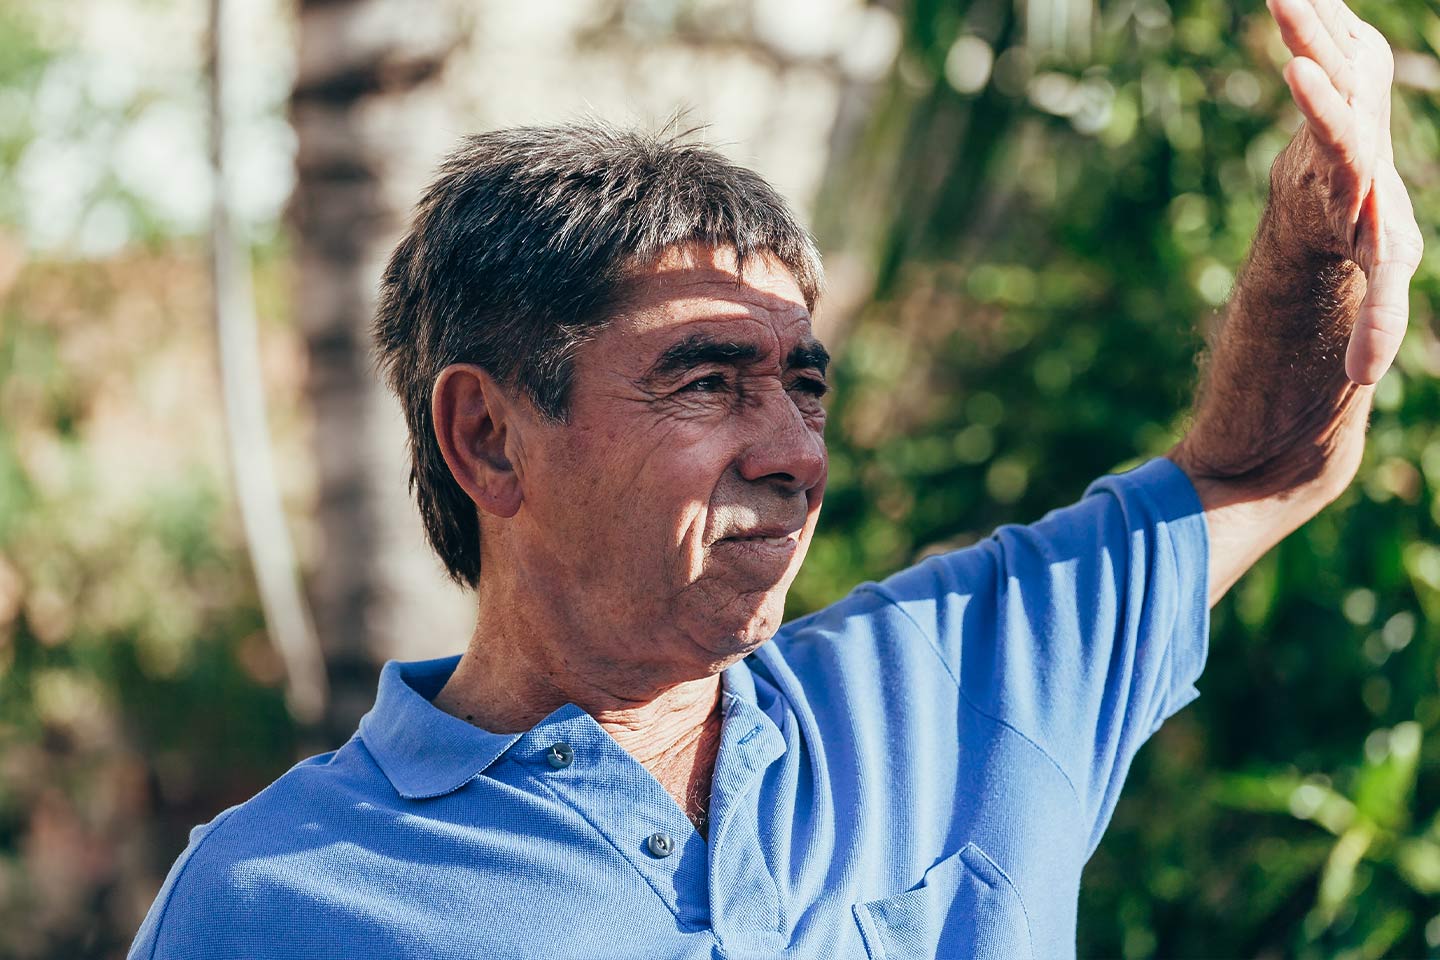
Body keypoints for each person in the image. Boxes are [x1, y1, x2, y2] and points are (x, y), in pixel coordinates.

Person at [128, 0, 1421, 956]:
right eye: (706, 381)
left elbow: (1265, 464)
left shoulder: (956, 679)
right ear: (489, 440)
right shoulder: (275, 898)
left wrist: (1318, 228)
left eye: (805, 383)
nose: (793, 450)